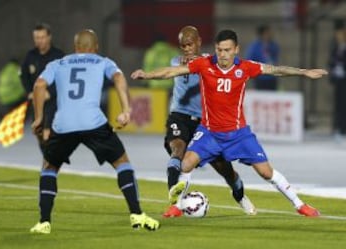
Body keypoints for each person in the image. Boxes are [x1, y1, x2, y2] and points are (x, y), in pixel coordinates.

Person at [131, 29, 328, 217]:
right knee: (186, 164)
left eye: (227, 50)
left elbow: (275, 70)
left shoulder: (245, 67)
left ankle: (300, 205)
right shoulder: (204, 64)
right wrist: (147, 74)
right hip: (209, 133)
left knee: (266, 172)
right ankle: (176, 206)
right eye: (219, 50)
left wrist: (304, 72)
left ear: (236, 50)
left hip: (238, 134)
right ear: (215, 49)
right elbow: (171, 72)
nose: (223, 55)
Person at [29, 29, 160, 234]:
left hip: (63, 124)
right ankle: (137, 214)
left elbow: (39, 84)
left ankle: (44, 222)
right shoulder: (102, 61)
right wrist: (126, 110)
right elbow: (118, 77)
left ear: (75, 47)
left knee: (49, 167)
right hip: (93, 123)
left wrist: (39, 117)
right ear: (95, 47)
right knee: (122, 163)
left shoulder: (59, 63)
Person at [162, 26, 256, 218]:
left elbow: (214, 65)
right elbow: (177, 68)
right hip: (179, 117)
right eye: (183, 45)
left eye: (190, 44)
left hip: (206, 124)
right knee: (177, 151)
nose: (186, 48)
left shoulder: (210, 62)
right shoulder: (176, 61)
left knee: (226, 171)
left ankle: (240, 196)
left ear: (198, 41)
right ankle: (175, 202)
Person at [21, 22, 64, 141]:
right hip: (37, 103)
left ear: (49, 37)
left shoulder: (59, 56)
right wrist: (30, 91)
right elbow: (24, 75)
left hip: (54, 101)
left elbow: (63, 79)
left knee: (49, 134)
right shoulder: (30, 55)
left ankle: (51, 157)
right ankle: (49, 157)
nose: (39, 41)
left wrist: (50, 92)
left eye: (42, 37)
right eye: (36, 38)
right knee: (40, 135)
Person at [245, 24, 280, 91]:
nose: (270, 35)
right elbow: (249, 59)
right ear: (262, 34)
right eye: (267, 33)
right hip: (260, 78)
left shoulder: (273, 45)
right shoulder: (254, 46)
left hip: (272, 77)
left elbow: (275, 56)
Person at [328, 19, 346, 139]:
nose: (338, 36)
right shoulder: (336, 47)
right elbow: (331, 62)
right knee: (339, 104)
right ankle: (339, 128)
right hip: (339, 80)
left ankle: (343, 129)